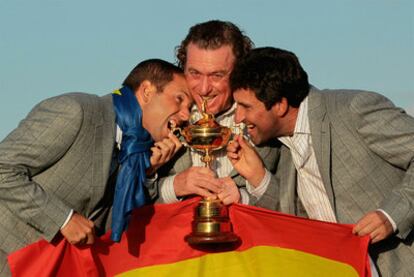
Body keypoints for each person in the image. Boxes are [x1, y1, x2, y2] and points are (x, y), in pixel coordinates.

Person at [227, 46, 414, 276]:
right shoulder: (280, 146)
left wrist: (392, 215)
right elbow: (297, 227)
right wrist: (259, 178)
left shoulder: (353, 109)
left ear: (280, 105)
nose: (238, 118)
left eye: (246, 107)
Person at [0, 59, 192, 276]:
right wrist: (63, 218)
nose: (185, 115)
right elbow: (3, 168)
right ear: (147, 91)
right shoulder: (76, 112)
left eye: (189, 108)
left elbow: (109, 227)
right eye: (179, 100)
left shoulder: (136, 154)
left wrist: (146, 174)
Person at [156, 20, 279, 205]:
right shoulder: (162, 117)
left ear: (239, 71)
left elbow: (292, 203)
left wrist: (243, 198)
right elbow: (126, 199)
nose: (204, 89)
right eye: (195, 73)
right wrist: (173, 186)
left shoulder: (268, 116)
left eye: (217, 76)